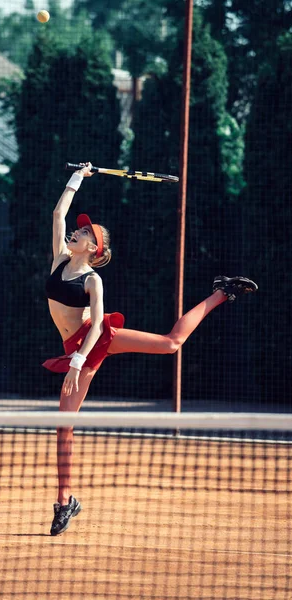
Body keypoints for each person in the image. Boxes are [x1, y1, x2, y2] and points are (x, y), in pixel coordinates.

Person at [44, 162, 258, 536]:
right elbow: (58, 212)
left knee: (171, 344)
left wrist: (78, 362)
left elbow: (95, 328)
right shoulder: (60, 258)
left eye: (85, 232)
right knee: (64, 426)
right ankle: (68, 502)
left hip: (91, 341)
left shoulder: (93, 281)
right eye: (78, 229)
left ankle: (221, 293)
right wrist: (78, 178)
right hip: (73, 345)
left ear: (94, 248)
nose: (77, 231)